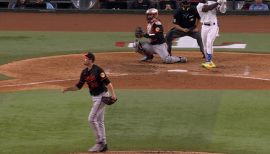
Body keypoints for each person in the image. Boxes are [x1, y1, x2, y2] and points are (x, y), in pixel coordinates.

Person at [62, 52, 117, 152]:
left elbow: (108, 83)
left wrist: (113, 95)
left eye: (86, 58)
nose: (84, 60)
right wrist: (67, 89)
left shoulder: (98, 70)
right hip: (95, 98)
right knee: (99, 121)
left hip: (102, 96)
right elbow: (78, 86)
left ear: (91, 60)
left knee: (91, 119)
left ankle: (99, 142)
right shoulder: (84, 72)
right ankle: (104, 145)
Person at [196, 0, 226, 69]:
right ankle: (208, 61)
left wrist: (223, 3)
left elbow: (222, 11)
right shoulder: (199, 6)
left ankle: (209, 62)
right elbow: (207, 8)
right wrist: (218, 2)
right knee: (205, 46)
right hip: (204, 27)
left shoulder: (212, 2)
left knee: (209, 42)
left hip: (213, 26)